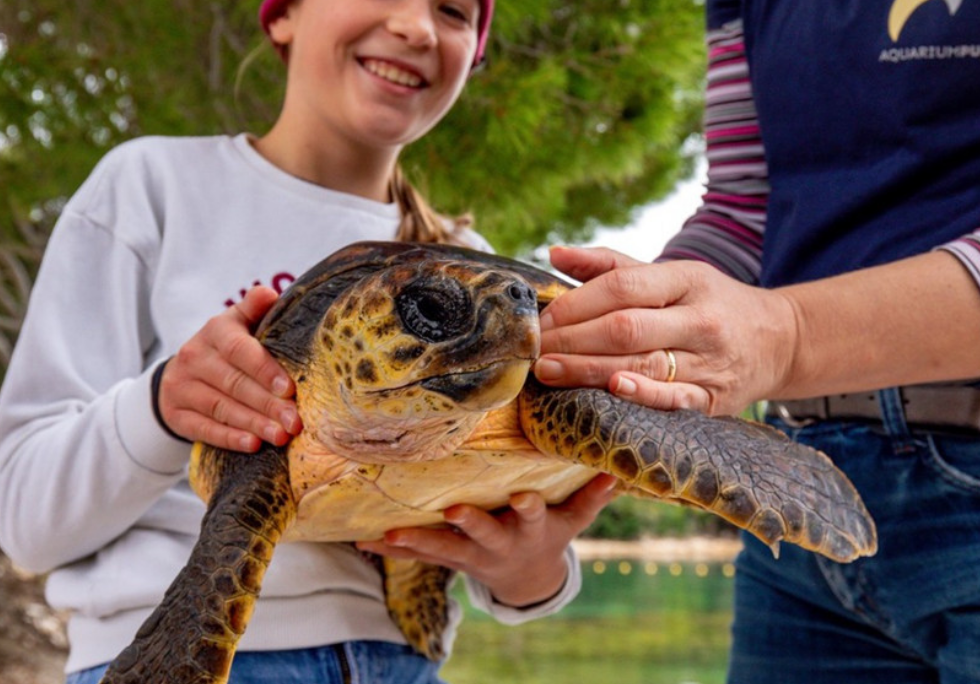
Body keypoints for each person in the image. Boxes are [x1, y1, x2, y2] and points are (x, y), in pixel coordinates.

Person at [0, 1, 617, 682]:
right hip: (176, 650)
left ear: (475, 53)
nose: (417, 26)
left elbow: (508, 552)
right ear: (283, 14)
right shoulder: (153, 189)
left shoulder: (471, 270)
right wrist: (159, 408)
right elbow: (25, 524)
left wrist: (532, 572)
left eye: (453, 10)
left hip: (401, 663)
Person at [532, 1, 980, 682]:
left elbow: (773, 329)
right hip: (791, 487)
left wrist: (784, 337)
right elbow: (747, 206)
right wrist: (650, 325)